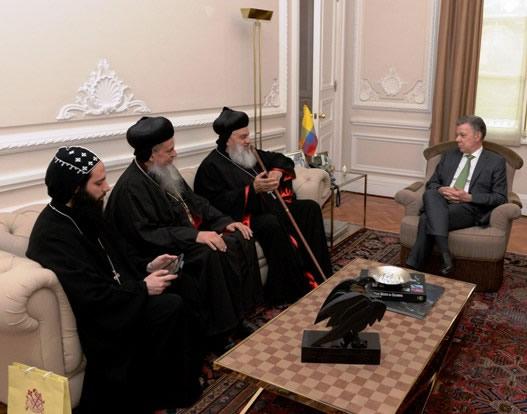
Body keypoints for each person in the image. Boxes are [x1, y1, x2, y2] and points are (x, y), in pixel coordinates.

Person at [26, 147, 203, 414]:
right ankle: (160, 395)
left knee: (184, 281)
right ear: (75, 189)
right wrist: (143, 288)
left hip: (120, 298)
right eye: (99, 183)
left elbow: (116, 258)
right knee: (169, 307)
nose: (107, 188)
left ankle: (185, 375)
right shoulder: (52, 235)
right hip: (101, 317)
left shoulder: (87, 211)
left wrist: (147, 266)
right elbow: (90, 296)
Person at [105, 116, 263, 343]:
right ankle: (220, 333)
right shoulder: (131, 188)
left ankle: (241, 314)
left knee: (240, 235)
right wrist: (195, 235)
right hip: (158, 253)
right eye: (169, 150)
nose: (175, 154)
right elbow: (148, 234)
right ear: (152, 154)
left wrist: (223, 221)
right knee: (210, 253)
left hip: (182, 237)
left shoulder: (163, 169)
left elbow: (195, 201)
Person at [194, 107, 332, 304]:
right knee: (271, 223)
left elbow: (281, 159)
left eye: (248, 135)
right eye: (242, 137)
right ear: (227, 140)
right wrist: (252, 190)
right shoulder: (211, 166)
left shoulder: (249, 153)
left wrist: (277, 171)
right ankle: (287, 290)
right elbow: (214, 203)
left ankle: (320, 273)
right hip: (244, 217)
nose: (248, 141)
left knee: (310, 208)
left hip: (268, 207)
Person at [406, 115, 508, 275]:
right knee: (431, 194)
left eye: (462, 135)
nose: (457, 139)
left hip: (469, 208)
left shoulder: (495, 161)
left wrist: (468, 197)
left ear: (477, 136)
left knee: (426, 218)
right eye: (457, 135)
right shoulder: (449, 155)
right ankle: (445, 255)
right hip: (441, 202)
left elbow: (500, 197)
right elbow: (432, 183)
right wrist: (442, 190)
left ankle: (414, 266)